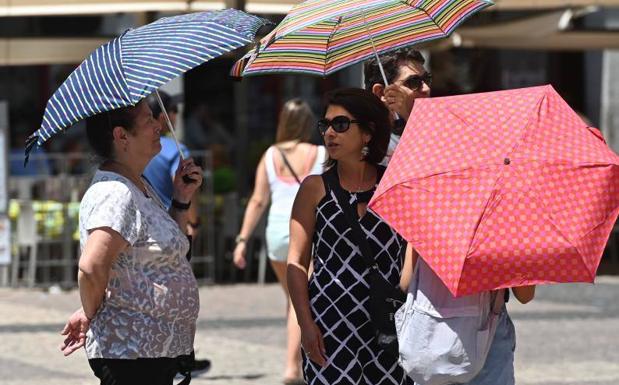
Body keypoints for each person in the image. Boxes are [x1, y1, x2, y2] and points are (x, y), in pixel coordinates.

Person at [59, 100, 203, 385]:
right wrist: (91, 312)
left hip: (150, 353)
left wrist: (181, 199)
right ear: (121, 136)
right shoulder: (115, 192)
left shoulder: (137, 184)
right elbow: (91, 267)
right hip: (133, 355)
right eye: (148, 119)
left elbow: (164, 253)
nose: (158, 125)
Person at [287, 88, 410, 385]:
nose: (329, 133)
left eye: (340, 124)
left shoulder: (394, 184)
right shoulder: (314, 188)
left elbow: (413, 246)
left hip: (388, 321)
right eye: (325, 125)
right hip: (330, 324)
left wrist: (401, 293)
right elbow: (297, 261)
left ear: (368, 133)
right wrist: (305, 324)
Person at [233, 98, 324, 385]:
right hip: (306, 233)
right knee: (304, 303)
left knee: (292, 299)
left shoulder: (270, 155)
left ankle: (291, 367)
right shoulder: (321, 153)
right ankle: (297, 366)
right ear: (308, 124)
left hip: (276, 234)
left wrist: (242, 239)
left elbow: (258, 200)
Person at [143, 92, 211, 375]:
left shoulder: (138, 150)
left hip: (145, 231)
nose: (175, 117)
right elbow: (184, 187)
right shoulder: (173, 149)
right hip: (173, 226)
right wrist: (193, 223)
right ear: (163, 116)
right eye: (174, 111)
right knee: (179, 293)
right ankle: (183, 356)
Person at [403, 247, 535, 385]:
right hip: (488, 342)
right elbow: (525, 296)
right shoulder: (505, 229)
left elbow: (406, 283)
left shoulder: (427, 227)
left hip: (430, 335)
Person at [364, 48, 431, 163]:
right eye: (414, 82)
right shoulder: (366, 146)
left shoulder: (437, 128)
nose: (426, 89)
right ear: (381, 92)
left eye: (427, 79)